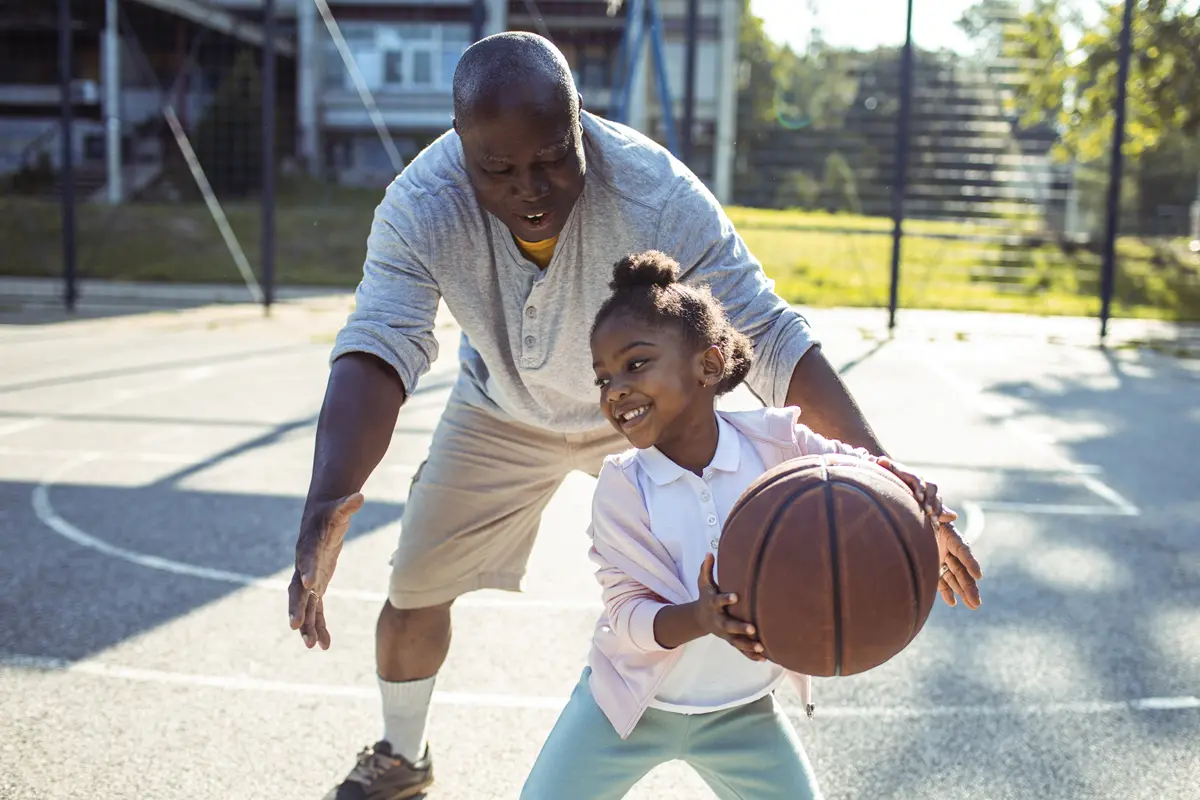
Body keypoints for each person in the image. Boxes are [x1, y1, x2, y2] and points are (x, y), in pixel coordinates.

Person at [286, 31, 983, 800]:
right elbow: (381, 344)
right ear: (460, 149)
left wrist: (883, 473)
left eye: (552, 156)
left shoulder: (653, 189)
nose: (531, 188)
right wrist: (329, 494)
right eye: (499, 168)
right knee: (415, 584)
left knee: (726, 585)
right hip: (502, 410)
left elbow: (771, 331)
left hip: (650, 414)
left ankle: (727, 717)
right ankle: (402, 755)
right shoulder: (423, 203)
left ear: (581, 123)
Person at [519, 251, 958, 800]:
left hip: (742, 713)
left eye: (635, 365)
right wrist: (700, 617)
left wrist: (909, 493)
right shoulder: (624, 485)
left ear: (708, 364)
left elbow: (862, 477)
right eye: (603, 377)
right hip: (629, 707)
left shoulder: (780, 444)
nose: (615, 390)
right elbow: (626, 613)